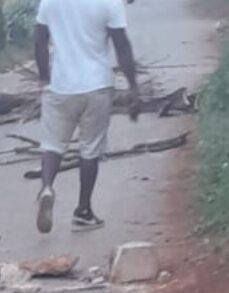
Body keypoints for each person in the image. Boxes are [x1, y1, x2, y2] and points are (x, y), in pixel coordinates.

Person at [32, 0, 140, 234]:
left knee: (53, 145)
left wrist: (44, 78)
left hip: (60, 86)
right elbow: (122, 45)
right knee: (90, 149)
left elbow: (40, 40)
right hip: (97, 86)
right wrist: (133, 86)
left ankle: (47, 187)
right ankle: (83, 211)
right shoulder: (110, 3)